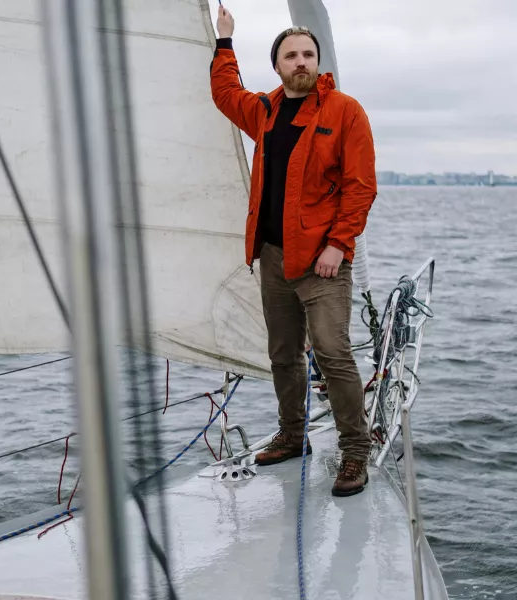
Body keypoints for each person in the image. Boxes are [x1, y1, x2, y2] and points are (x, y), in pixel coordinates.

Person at [209, 5, 377, 497]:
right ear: (278, 65)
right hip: (274, 255)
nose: (301, 61)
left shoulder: (345, 111)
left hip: (323, 261)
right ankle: (292, 433)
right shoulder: (264, 110)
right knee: (283, 354)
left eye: (308, 54)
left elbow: (360, 187)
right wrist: (224, 40)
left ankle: (355, 452)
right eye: (291, 55)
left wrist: (339, 245)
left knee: (333, 353)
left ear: (317, 63)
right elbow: (225, 94)